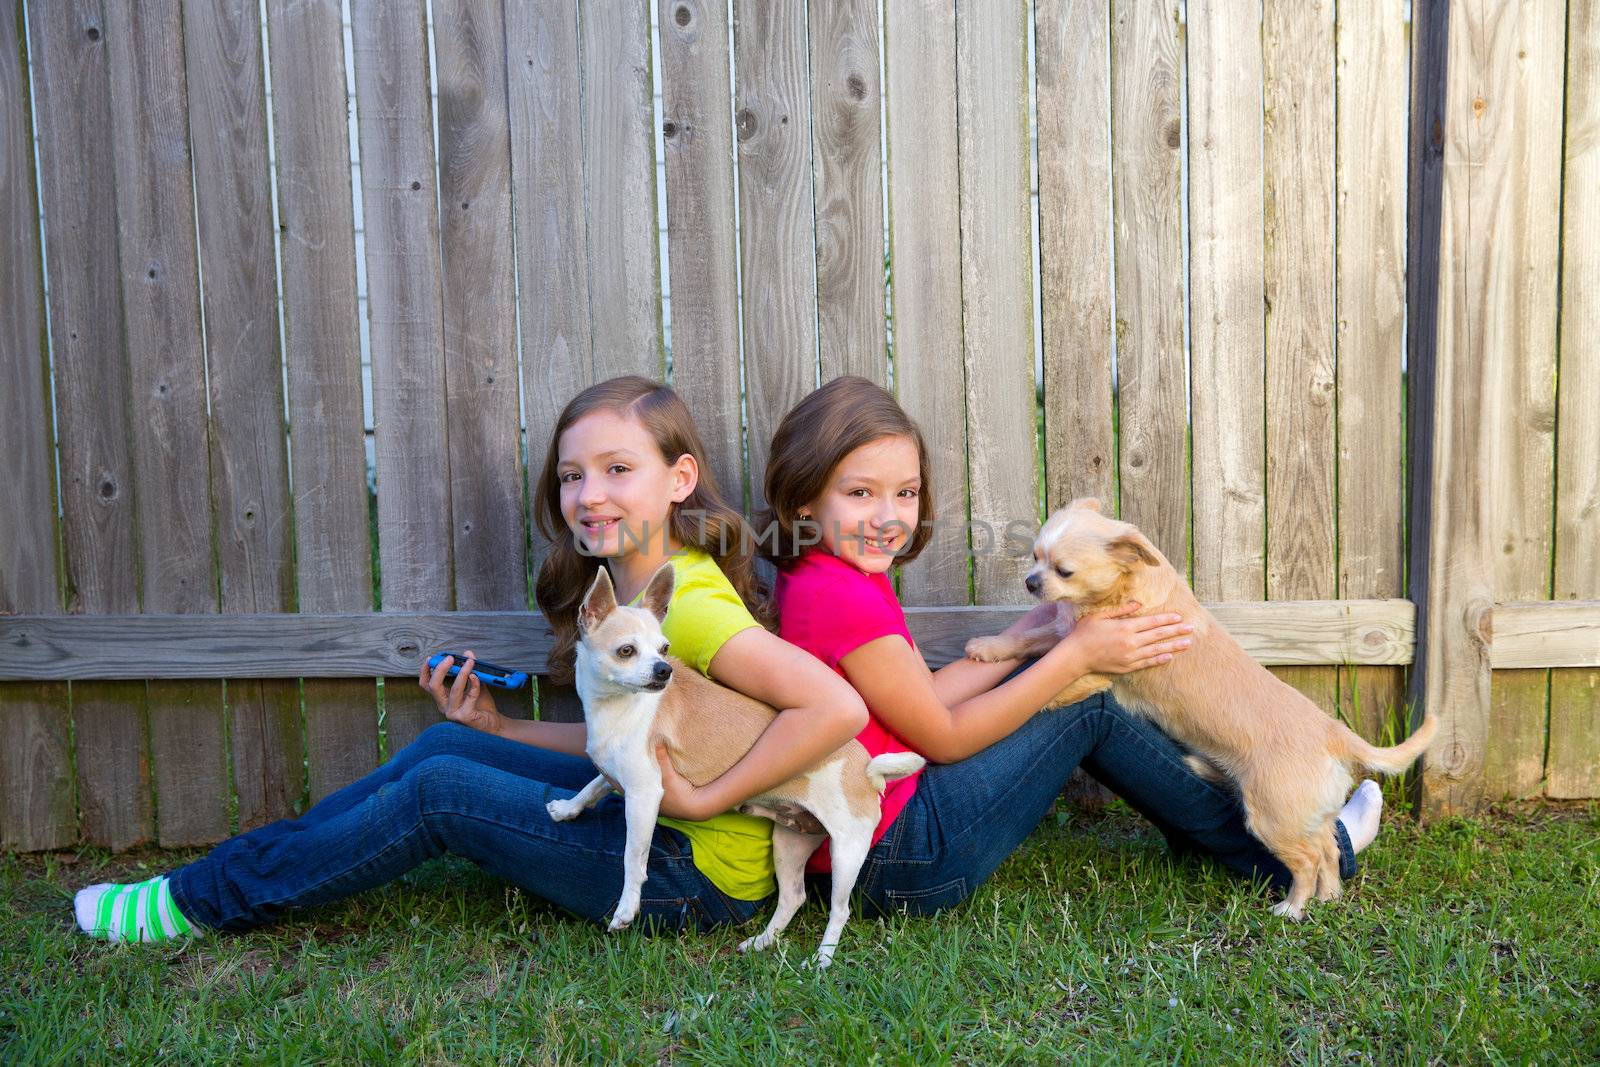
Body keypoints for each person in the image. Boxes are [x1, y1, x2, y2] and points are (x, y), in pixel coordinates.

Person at [72, 377, 867, 942]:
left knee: (443, 790)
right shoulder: (629, 592)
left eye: (618, 469)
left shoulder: (684, 604)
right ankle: (241, 865)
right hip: (659, 824)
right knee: (455, 745)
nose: (588, 494)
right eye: (570, 474)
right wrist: (500, 729)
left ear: (679, 479)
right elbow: (627, 747)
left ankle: (205, 900)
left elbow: (837, 708)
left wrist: (705, 799)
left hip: (693, 874)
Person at [734, 375, 1384, 916]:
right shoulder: (841, 596)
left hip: (882, 831)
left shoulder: (830, 574)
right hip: (903, 856)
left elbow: (917, 698)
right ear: (802, 500)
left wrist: (1021, 646)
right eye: (859, 493)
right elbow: (943, 738)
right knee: (1092, 700)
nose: (889, 515)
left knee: (1080, 673)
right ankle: (1287, 850)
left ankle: (1213, 829)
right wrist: (1075, 657)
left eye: (904, 493)